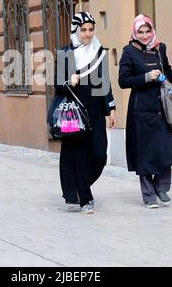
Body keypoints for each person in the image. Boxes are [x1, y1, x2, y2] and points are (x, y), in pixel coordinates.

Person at [50, 12, 117, 214]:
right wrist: (68, 81)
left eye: (90, 29)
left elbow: (104, 83)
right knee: (78, 154)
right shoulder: (65, 53)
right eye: (83, 30)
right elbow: (57, 85)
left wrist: (111, 108)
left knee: (99, 155)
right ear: (75, 30)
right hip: (73, 112)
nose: (87, 34)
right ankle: (85, 197)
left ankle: (80, 184)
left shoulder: (98, 53)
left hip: (95, 111)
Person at [119, 14, 172, 209]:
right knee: (145, 153)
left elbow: (169, 70)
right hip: (141, 110)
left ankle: (161, 187)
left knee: (165, 151)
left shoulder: (160, 48)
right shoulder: (129, 51)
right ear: (135, 32)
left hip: (162, 108)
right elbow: (123, 81)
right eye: (141, 31)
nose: (145, 35)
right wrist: (146, 77)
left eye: (148, 31)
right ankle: (148, 195)